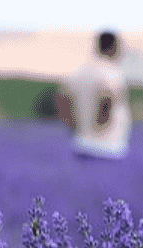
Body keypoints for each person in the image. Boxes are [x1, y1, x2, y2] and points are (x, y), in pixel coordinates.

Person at [55, 30, 132, 160]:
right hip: (107, 146)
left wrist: (74, 126)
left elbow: (62, 99)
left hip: (80, 143)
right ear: (113, 47)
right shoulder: (111, 72)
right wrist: (100, 126)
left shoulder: (80, 72)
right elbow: (106, 97)